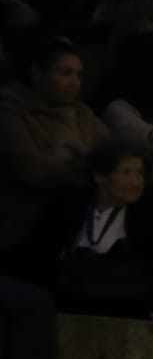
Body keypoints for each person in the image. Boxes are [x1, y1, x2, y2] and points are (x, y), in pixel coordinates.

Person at [20, 140, 153, 323]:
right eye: (126, 172)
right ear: (100, 176)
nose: (136, 181)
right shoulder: (70, 203)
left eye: (140, 173)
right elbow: (38, 251)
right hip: (69, 297)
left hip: (128, 302)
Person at [0, 35, 110, 251]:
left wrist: (69, 153)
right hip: (31, 227)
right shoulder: (11, 112)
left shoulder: (81, 112)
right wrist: (89, 159)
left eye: (79, 75)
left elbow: (114, 153)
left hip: (84, 215)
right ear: (37, 73)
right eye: (65, 73)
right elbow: (33, 171)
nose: (75, 83)